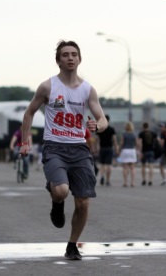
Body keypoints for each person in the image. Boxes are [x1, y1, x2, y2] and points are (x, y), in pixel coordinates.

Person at [19, 40, 108, 260]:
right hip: (55, 147)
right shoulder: (48, 86)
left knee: (83, 201)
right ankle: (56, 203)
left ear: (79, 59)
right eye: (65, 55)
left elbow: (102, 119)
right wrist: (24, 141)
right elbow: (29, 113)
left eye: (74, 54)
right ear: (58, 60)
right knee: (61, 191)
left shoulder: (88, 89)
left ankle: (72, 245)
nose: (70, 58)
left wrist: (98, 126)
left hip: (79, 148)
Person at [96, 114, 118, 186]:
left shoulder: (100, 130)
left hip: (102, 148)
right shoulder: (111, 129)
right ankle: (108, 180)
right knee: (109, 165)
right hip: (109, 148)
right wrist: (116, 148)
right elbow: (114, 140)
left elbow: (97, 140)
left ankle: (102, 176)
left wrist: (97, 148)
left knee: (102, 164)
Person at [118, 122, 138, 187]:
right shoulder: (134, 134)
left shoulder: (124, 134)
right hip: (132, 150)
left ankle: (125, 182)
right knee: (133, 168)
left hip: (125, 150)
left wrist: (119, 149)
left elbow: (122, 143)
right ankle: (133, 182)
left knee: (125, 167)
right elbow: (136, 143)